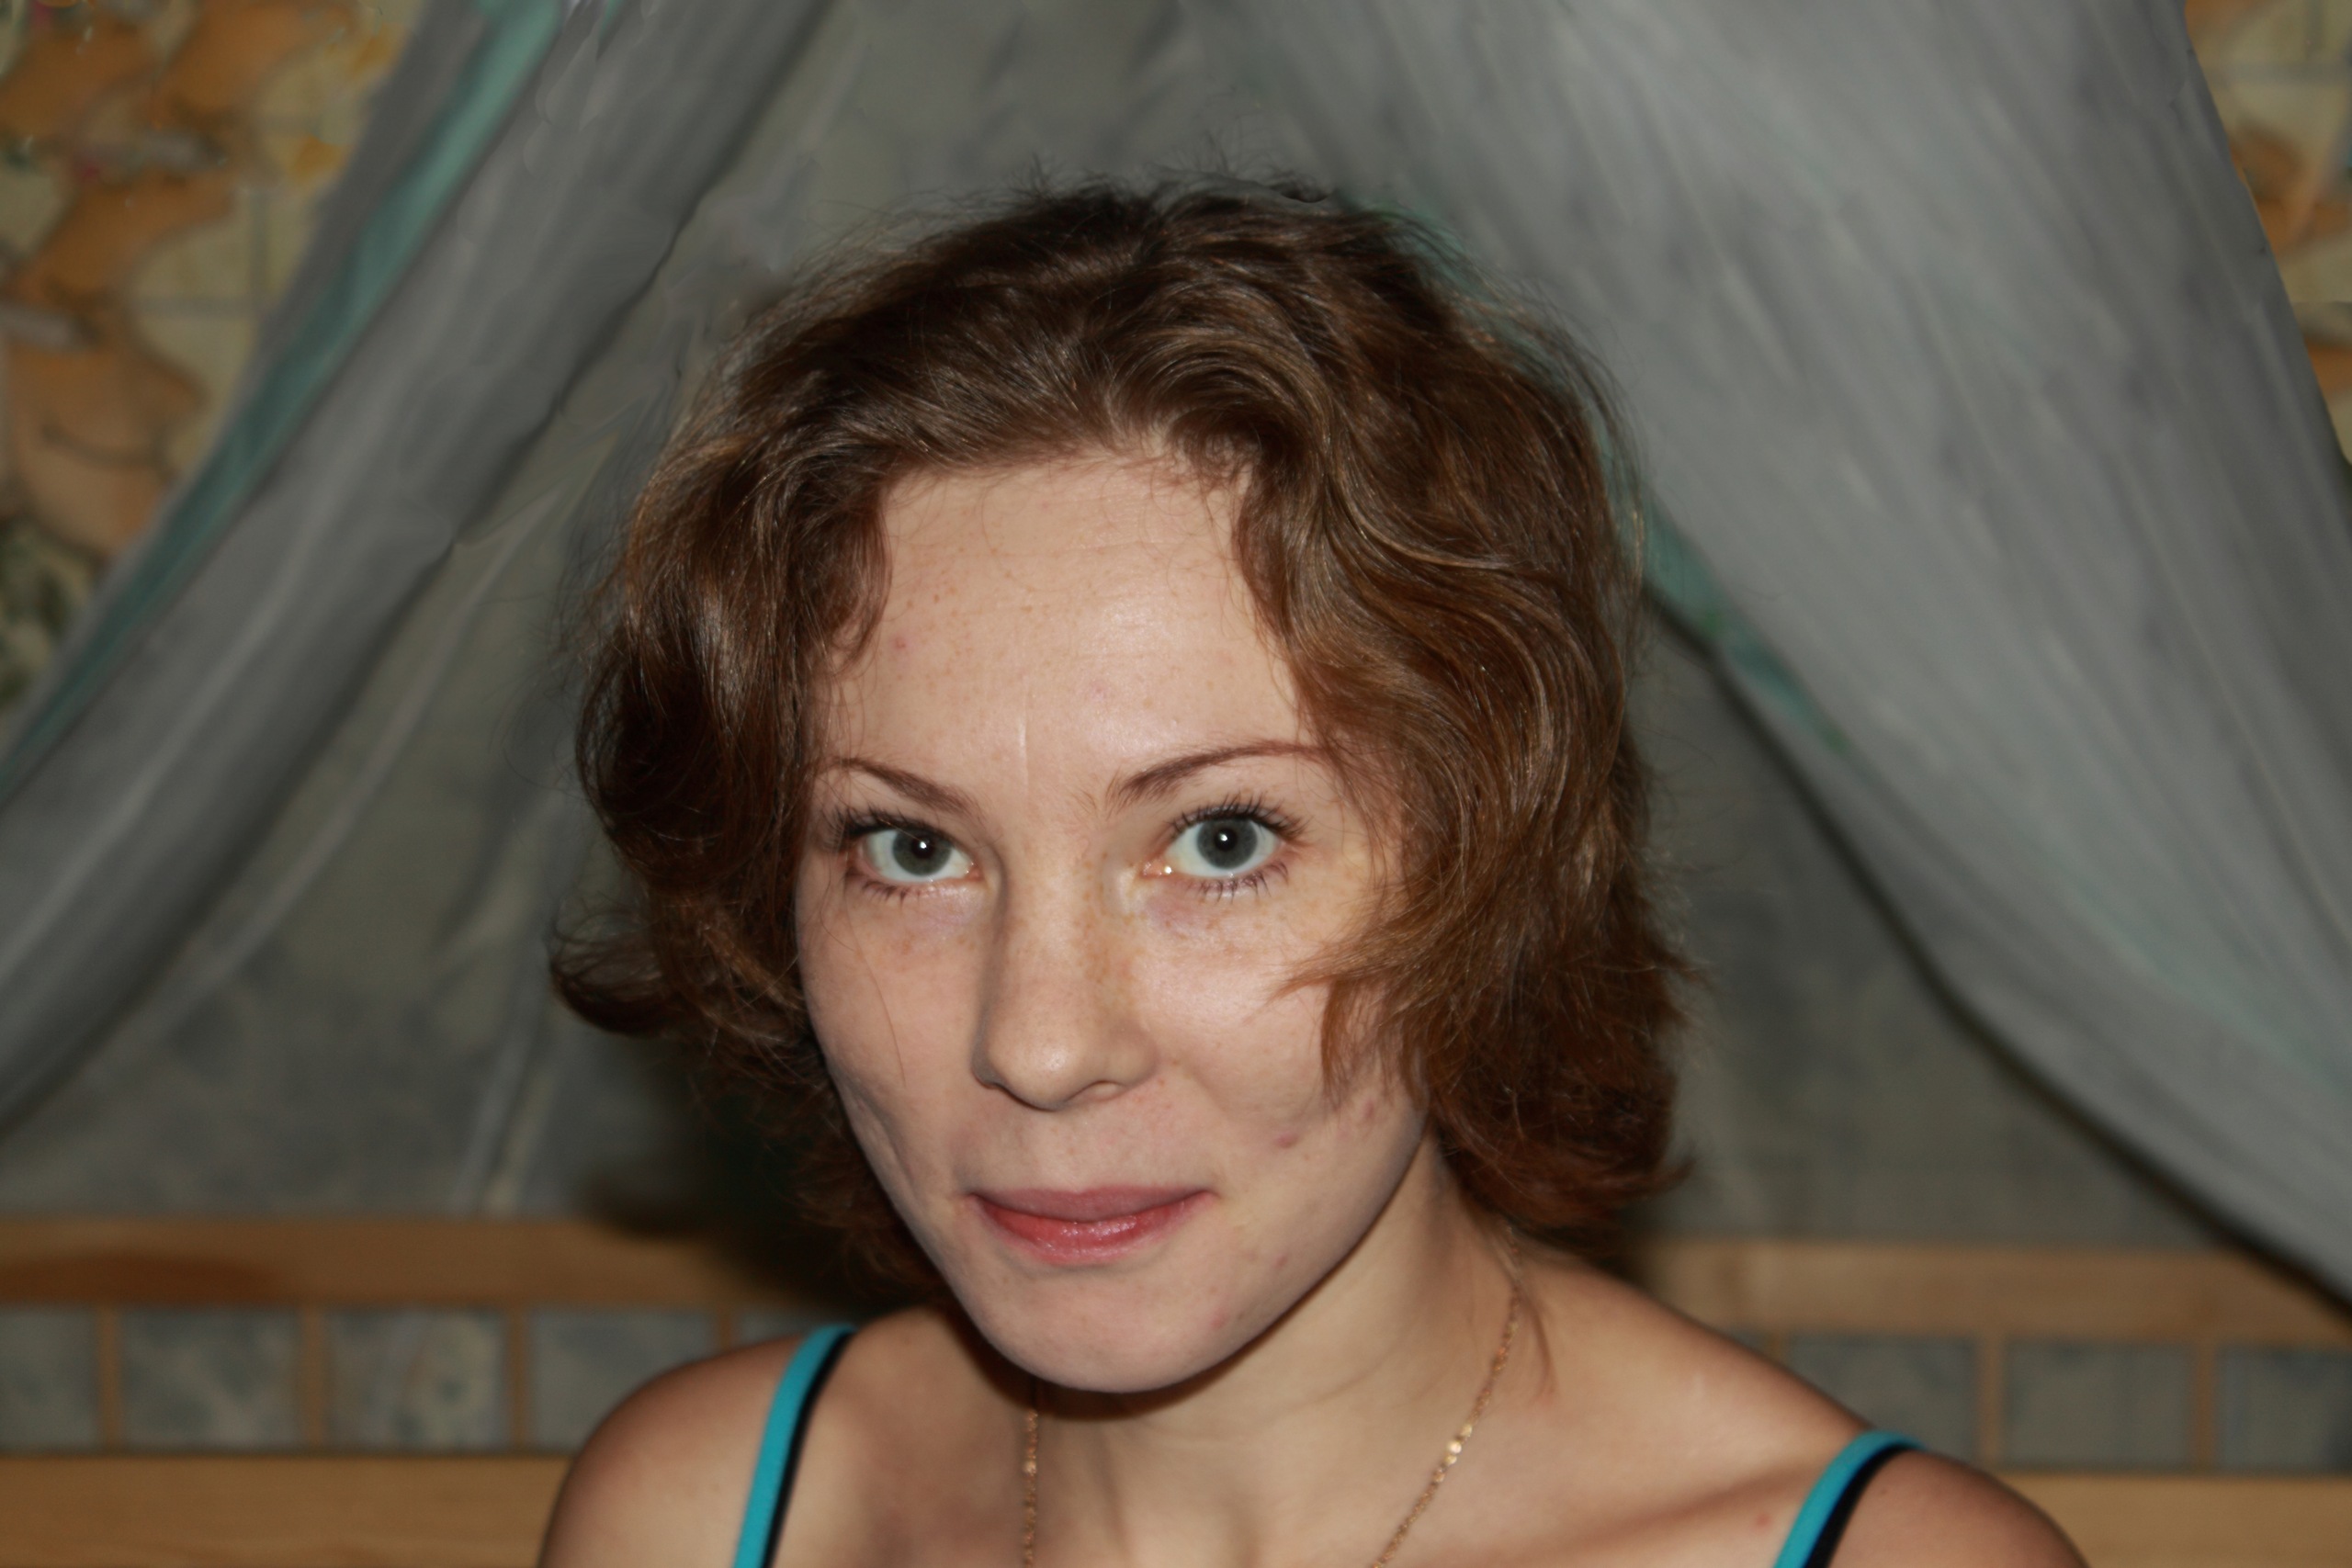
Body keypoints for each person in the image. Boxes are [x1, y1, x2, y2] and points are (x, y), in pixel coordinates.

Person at [538, 180, 2080, 1568]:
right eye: (914, 848)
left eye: (1222, 841)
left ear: (1493, 864)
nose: (1041, 1046)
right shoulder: (704, 1519)